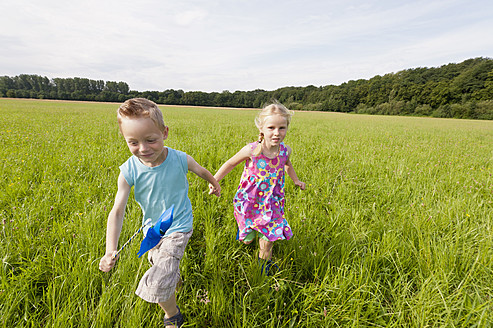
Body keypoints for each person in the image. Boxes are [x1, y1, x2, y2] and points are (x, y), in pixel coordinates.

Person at [99, 98, 220, 328]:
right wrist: (109, 249)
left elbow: (201, 170)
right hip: (153, 229)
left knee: (160, 274)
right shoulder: (128, 171)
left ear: (164, 133)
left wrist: (214, 183)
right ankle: (172, 278)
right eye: (133, 142)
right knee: (158, 261)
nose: (143, 149)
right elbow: (117, 211)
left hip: (179, 225)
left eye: (151, 140)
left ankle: (172, 315)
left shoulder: (179, 159)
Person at [210, 101, 305, 275]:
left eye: (282, 128)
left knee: (268, 239)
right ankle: (246, 228)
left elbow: (287, 165)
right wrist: (214, 180)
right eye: (271, 128)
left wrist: (296, 180)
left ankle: (263, 267)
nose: (277, 133)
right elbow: (230, 163)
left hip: (272, 201)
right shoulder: (252, 150)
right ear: (261, 128)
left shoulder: (285, 151)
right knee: (247, 240)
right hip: (249, 201)